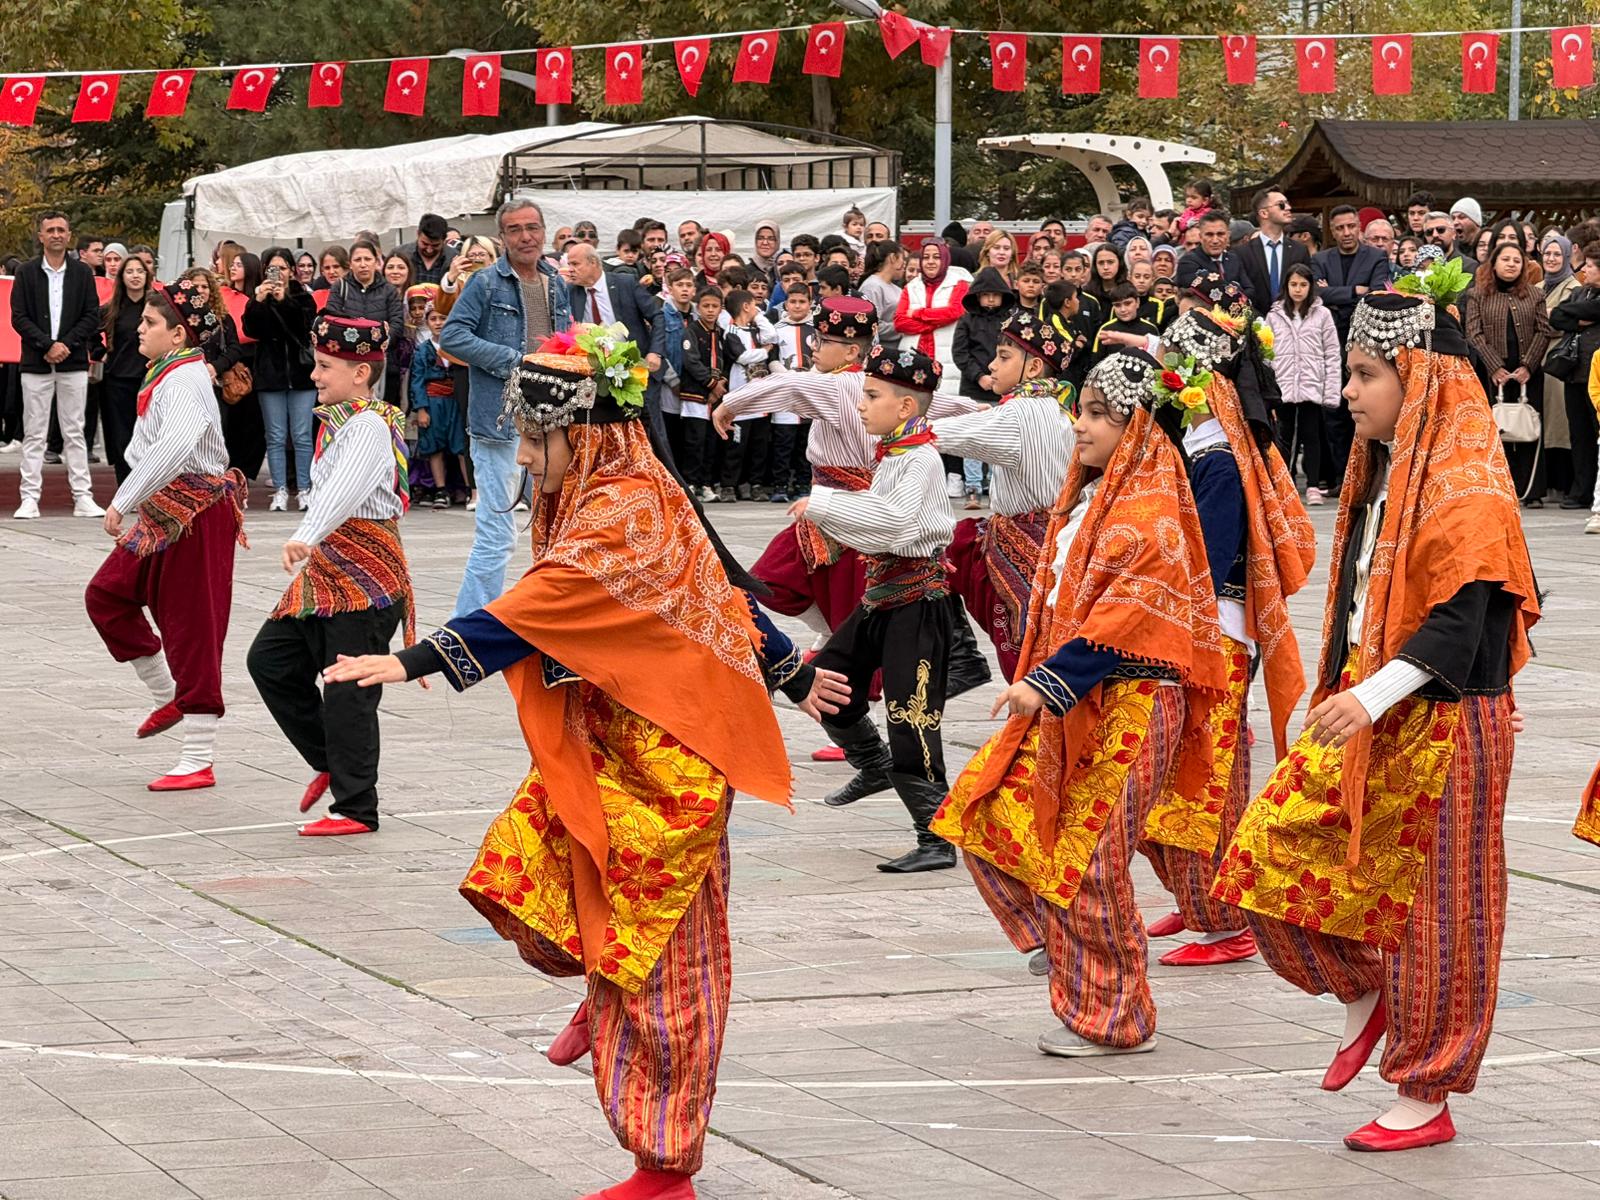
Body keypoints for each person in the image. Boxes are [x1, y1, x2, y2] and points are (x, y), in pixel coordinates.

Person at [323, 329, 847, 1200]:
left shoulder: (624, 509)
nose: (526, 457)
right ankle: (600, 983)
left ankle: (665, 1165)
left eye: (537, 439)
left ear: (588, 432)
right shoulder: (608, 492)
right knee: (517, 869)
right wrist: (789, 667)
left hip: (672, 761)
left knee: (670, 968)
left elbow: (541, 605)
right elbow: (710, 584)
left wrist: (413, 661)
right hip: (609, 742)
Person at [1219, 275, 1540, 1152]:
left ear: (1419, 378)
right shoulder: (1383, 472)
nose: (1347, 391)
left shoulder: (1467, 483)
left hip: (1440, 717)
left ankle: (1427, 1091)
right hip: (1366, 706)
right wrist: (1344, 694)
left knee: (1443, 909)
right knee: (1262, 858)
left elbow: (1464, 619)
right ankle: (1370, 997)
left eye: (1364, 374)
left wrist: (1366, 698)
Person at [932, 351, 1228, 1055]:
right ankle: (1061, 946)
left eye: (1100, 414)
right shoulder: (1091, 500)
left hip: (1134, 701)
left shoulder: (1150, 514)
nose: (1081, 425)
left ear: (1136, 428)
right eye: (1082, 410)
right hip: (1077, 701)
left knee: (1090, 857)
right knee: (987, 815)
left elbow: (1128, 615)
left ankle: (1116, 1015)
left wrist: (1044, 681)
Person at [1138, 300, 1316, 968]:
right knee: (1185, 767)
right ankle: (1196, 895)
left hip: (1211, 630)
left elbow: (1203, 558)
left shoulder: (1215, 458)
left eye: (1172, 370)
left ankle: (1226, 921)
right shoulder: (1205, 446)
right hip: (1204, 626)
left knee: (1205, 774)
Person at [246, 316, 415, 838]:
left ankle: (357, 807)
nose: (315, 376)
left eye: (325, 367)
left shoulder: (367, 424)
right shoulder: (344, 421)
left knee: (348, 689)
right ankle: (331, 762)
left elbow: (345, 489)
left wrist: (308, 532)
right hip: (327, 571)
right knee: (271, 661)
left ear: (360, 372)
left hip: (365, 573)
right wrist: (314, 537)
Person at [796, 344, 962, 873]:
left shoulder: (920, 459)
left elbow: (892, 524)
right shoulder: (896, 454)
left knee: (912, 716)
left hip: (915, 604)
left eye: (871, 396)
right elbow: (875, 524)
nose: (861, 405)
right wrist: (829, 516)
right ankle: (872, 764)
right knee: (824, 681)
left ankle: (934, 839)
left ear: (906, 407)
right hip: (883, 597)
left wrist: (824, 504)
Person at [85, 280, 247, 792]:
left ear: (178, 334)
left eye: (150, 323)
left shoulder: (186, 379)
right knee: (107, 595)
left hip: (197, 511)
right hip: (167, 509)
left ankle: (198, 757)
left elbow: (176, 445)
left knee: (193, 624)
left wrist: (123, 499)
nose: (139, 329)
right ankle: (166, 695)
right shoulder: (171, 372)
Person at [439, 196, 572, 616]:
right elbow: (452, 337)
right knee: (497, 534)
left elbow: (562, 341)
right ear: (503, 237)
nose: (525, 236)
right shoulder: (485, 283)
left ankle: (547, 617)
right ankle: (466, 630)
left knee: (555, 525)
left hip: (549, 422)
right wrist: (514, 362)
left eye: (532, 227)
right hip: (499, 423)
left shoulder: (558, 282)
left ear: (544, 231)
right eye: (514, 230)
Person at [936, 310, 1075, 680]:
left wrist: (900, 432)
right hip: (1050, 536)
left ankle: (960, 656)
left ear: (1033, 369)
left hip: (1023, 540)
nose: (992, 365)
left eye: (1004, 357)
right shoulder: (1059, 408)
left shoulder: (1019, 413)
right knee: (955, 545)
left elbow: (958, 432)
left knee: (1022, 642)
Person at [11, 211, 104, 520]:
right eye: (49, 230)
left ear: (68, 235)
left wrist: (66, 344)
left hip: (73, 362)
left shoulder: (82, 274)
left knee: (75, 432)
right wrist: (47, 345)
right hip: (36, 364)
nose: (55, 234)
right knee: (35, 432)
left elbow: (92, 315)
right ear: (40, 236)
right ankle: (29, 498)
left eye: (61, 230)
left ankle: (83, 496)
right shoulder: (25, 273)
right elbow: (19, 317)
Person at [1466, 242, 1552, 505]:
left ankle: (1532, 491)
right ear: (1493, 263)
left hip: (1529, 371)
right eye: (1506, 259)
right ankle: (1500, 486)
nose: (1512, 264)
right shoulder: (1477, 294)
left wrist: (1528, 365)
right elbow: (1473, 332)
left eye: (1517, 260)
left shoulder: (1535, 295)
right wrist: (1494, 366)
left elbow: (1544, 330)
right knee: (1499, 429)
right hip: (1494, 373)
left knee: (1528, 427)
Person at [895, 238, 973, 498]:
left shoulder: (960, 284)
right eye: (926, 257)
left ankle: (954, 475)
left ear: (944, 259)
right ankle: (918, 477)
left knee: (949, 419)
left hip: (948, 360)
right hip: (915, 359)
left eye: (935, 257)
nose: (930, 262)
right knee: (916, 418)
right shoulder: (911, 286)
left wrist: (920, 314)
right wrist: (931, 318)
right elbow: (899, 321)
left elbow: (955, 311)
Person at [245, 247, 320, 513]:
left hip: (301, 376)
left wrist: (285, 300)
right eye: (272, 269)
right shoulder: (258, 297)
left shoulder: (303, 297)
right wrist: (259, 301)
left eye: (283, 268)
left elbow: (307, 328)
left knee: (302, 435)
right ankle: (279, 490)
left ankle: (305, 489)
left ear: (292, 270)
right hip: (270, 376)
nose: (278, 274)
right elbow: (251, 329)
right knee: (275, 436)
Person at [1269, 263, 1343, 504]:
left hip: (1312, 383)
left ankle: (1312, 485)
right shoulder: (1274, 315)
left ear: (1310, 286)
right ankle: (1284, 482)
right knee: (1284, 434)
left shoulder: (1322, 315)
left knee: (1312, 435)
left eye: (1303, 284)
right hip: (1284, 383)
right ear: (1286, 286)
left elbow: (1332, 353)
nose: (1298, 290)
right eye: (1293, 284)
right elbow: (1266, 352)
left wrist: (1331, 390)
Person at [951, 266, 1017, 506]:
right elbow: (960, 353)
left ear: (1002, 295)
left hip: (1004, 390)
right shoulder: (967, 320)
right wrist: (979, 376)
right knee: (973, 439)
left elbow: (1015, 353)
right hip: (973, 389)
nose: (990, 298)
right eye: (985, 293)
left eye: (995, 294)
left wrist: (1002, 379)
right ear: (977, 295)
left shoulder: (1009, 321)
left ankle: (996, 486)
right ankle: (973, 488)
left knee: (1000, 439)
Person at [1551, 241, 1600, 525]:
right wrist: (1579, 316)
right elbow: (1557, 315)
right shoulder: (1582, 292)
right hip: (1574, 372)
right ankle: (1580, 490)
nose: (1584, 271)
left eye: (1591, 267)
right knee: (1579, 434)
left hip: (1596, 375)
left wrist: (1578, 314)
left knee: (1597, 434)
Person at [99, 253, 152, 483]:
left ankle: (148, 485)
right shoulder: (110, 309)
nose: (135, 276)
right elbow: (90, 333)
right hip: (117, 380)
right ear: (122, 276)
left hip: (150, 379)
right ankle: (125, 485)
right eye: (129, 271)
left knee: (149, 435)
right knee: (122, 436)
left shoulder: (156, 307)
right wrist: (100, 354)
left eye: (139, 271)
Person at [1235, 189, 1311, 316]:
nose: (1288, 208)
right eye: (1281, 205)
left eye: (1287, 203)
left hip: (1293, 323)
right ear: (1264, 213)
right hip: (1255, 324)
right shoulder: (1242, 253)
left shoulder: (1300, 250)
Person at [858, 240, 905, 351]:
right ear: (893, 258)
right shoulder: (872, 287)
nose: (904, 264)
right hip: (880, 353)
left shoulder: (896, 288)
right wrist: (903, 326)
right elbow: (871, 325)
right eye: (903, 258)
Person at [1175, 210, 1239, 291]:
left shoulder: (1234, 259)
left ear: (1228, 235)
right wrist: (1236, 292)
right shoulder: (1187, 262)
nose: (1215, 240)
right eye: (1209, 235)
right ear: (1200, 237)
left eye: (1220, 234)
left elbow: (1250, 289)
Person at [395, 213, 458, 285]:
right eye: (425, 244)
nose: (429, 250)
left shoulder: (454, 258)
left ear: (444, 239)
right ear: (418, 234)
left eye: (435, 245)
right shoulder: (400, 254)